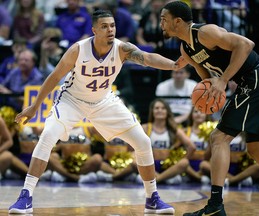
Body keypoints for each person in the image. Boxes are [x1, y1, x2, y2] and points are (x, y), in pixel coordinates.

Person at [8, 9, 187, 215]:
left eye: (112, 25)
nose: (110, 30)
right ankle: (25, 196)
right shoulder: (78, 50)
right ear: (94, 30)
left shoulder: (122, 49)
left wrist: (173, 65)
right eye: (104, 26)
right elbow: (54, 77)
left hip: (103, 101)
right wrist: (34, 107)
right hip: (71, 100)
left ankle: (152, 199)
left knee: (143, 142)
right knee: (47, 136)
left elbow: (147, 58)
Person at [159, 1, 259, 216]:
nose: (161, 23)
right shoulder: (186, 48)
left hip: (257, 77)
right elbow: (207, 80)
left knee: (219, 138)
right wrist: (208, 96)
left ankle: (216, 205)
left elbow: (246, 44)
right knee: (257, 149)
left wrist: (224, 80)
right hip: (252, 82)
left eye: (164, 19)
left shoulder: (205, 32)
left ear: (178, 21)